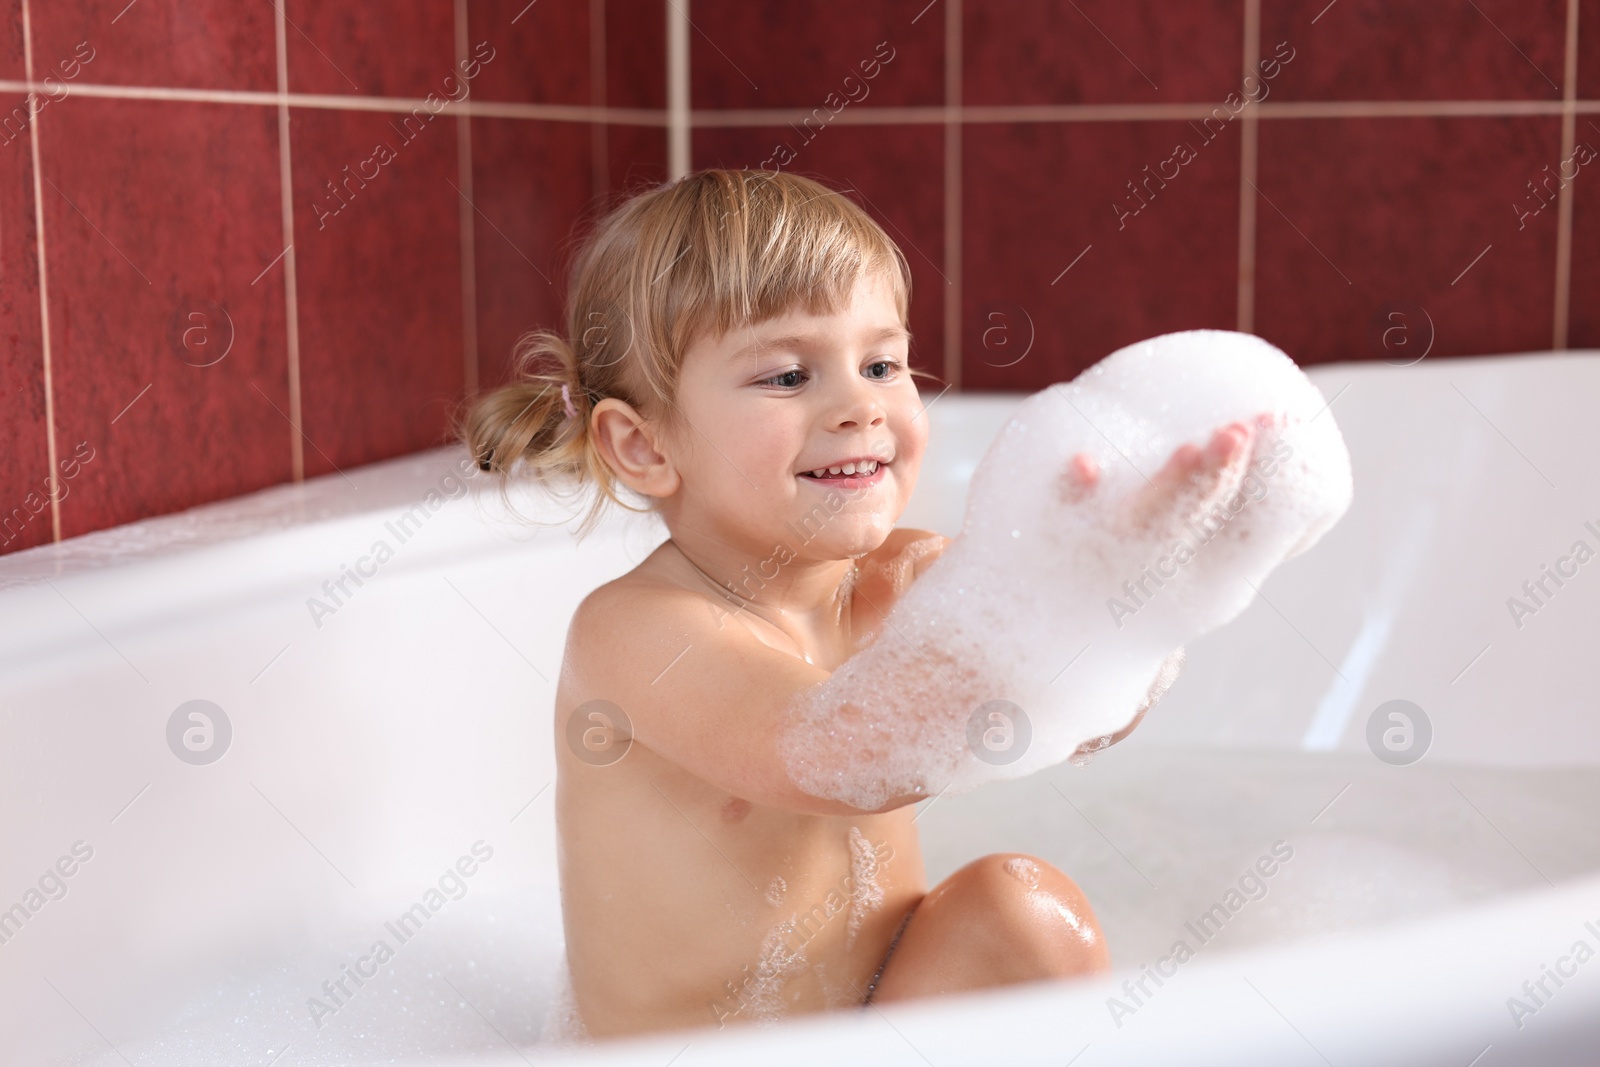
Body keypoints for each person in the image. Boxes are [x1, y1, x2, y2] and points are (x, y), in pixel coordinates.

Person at [462, 168, 1257, 1040]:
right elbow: (832, 753)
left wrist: (1112, 597)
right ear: (643, 444)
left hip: (867, 1028)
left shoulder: (903, 573)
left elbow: (1079, 712)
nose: (859, 405)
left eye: (883, 363)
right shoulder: (639, 632)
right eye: (788, 375)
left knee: (1025, 910)